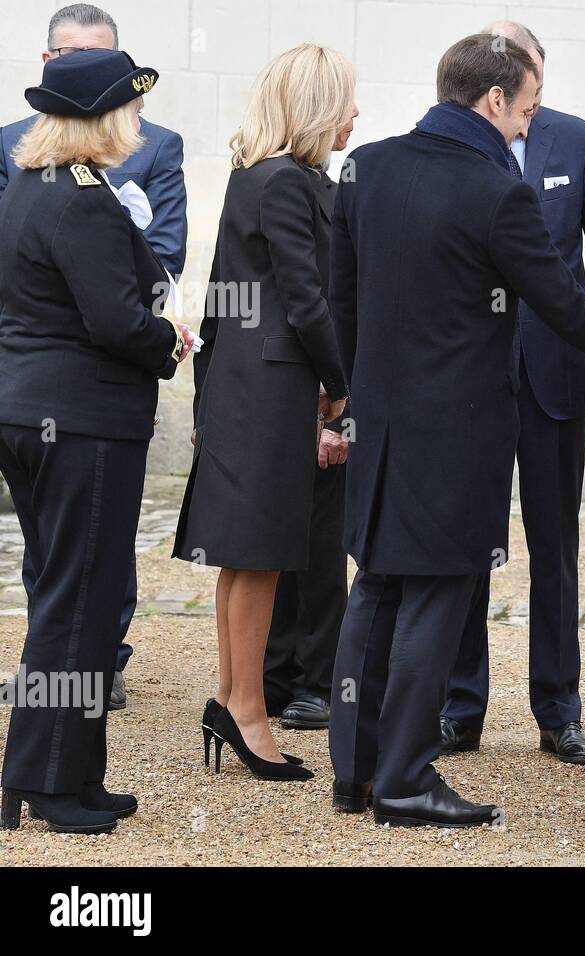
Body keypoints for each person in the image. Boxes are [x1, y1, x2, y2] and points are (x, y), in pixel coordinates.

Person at [326, 34, 585, 828]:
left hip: (381, 417)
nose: (525, 128)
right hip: (458, 428)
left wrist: (344, 398)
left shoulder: (369, 165)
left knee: (376, 587)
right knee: (435, 596)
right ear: (494, 99)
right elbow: (566, 309)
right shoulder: (495, 188)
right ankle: (404, 782)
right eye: (525, 110)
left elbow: (342, 301)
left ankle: (355, 769)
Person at [439, 21, 585, 764]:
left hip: (555, 374)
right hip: (470, 379)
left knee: (555, 548)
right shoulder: (449, 141)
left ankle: (558, 708)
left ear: (536, 71)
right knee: (465, 540)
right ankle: (457, 705)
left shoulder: (573, 138)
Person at [0, 49, 193, 833]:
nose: (138, 124)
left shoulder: (28, 187)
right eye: (130, 111)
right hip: (81, 420)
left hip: (36, 410)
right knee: (78, 604)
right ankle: (42, 779)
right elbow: (115, 319)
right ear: (102, 119)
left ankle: (74, 772)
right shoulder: (80, 200)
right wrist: (168, 340)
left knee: (70, 596)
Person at [174, 43, 357, 783]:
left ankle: (232, 699)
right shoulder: (287, 182)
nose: (354, 114)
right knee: (259, 557)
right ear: (315, 107)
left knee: (249, 556)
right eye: (345, 99)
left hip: (246, 387)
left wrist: (207, 394)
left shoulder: (258, 175)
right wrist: (338, 385)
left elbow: (221, 297)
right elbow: (306, 297)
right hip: (272, 390)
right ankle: (246, 711)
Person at [262, 158, 352, 733]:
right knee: (272, 541)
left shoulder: (344, 196)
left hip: (334, 388)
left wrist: (341, 410)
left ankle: (320, 680)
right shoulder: (271, 184)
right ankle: (273, 673)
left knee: (322, 547)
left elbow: (342, 307)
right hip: (280, 391)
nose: (354, 115)